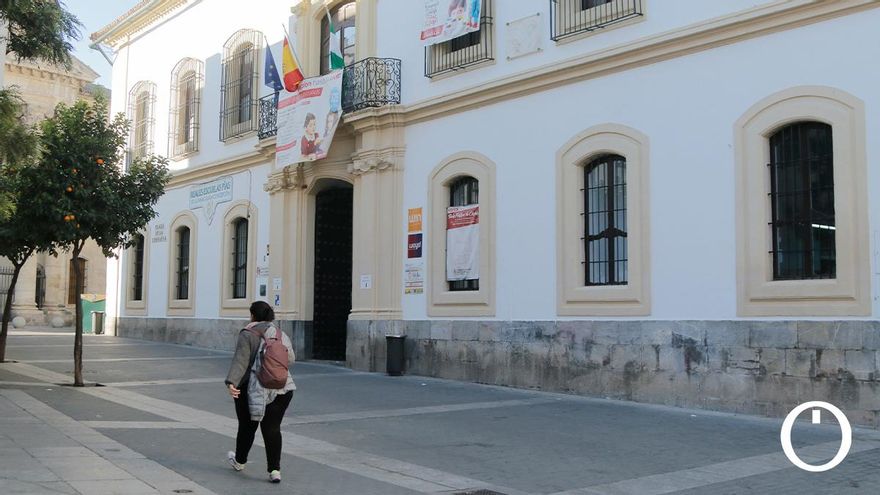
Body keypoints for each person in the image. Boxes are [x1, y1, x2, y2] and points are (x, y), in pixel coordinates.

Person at [225, 301, 296, 483]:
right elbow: (291, 359)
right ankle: (274, 470)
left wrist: (232, 382)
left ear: (252, 315)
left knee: (247, 427)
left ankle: (240, 461)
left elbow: (241, 361)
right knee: (272, 429)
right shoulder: (280, 334)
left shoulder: (248, 333)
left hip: (251, 388)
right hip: (281, 388)